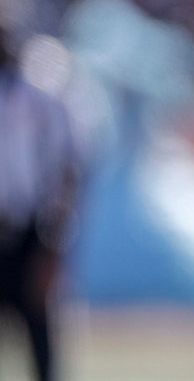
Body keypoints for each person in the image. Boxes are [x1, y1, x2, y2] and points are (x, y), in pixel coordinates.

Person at [0, 22, 84, 381]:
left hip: (28, 230)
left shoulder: (41, 94)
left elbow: (68, 170)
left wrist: (52, 244)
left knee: (40, 339)